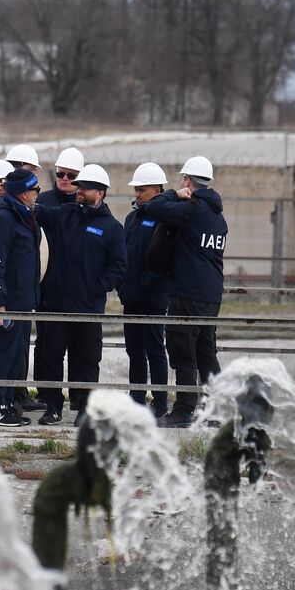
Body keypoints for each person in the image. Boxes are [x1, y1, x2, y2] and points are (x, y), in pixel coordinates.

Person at [26, 163, 126, 426]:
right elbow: (38, 212)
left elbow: (118, 265)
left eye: (86, 188)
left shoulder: (111, 227)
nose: (79, 191)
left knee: (86, 360)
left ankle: (83, 408)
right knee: (51, 356)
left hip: (88, 307)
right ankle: (52, 405)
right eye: (79, 187)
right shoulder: (65, 215)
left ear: (101, 193)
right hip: (56, 304)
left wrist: (97, 285)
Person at [143, 156, 227, 428]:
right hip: (211, 295)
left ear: (188, 181)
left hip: (187, 293)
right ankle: (217, 409)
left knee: (182, 352)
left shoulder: (192, 209)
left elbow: (153, 206)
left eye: (182, 180)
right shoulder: (218, 216)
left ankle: (183, 409)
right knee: (206, 353)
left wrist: (173, 194)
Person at [0, 169, 42, 427]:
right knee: (3, 354)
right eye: (35, 190)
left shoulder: (23, 215)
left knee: (14, 356)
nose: (37, 195)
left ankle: (4, 403)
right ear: (25, 193)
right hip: (8, 300)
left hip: (23, 300)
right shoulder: (3, 218)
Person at [120, 162, 174, 419]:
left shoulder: (164, 219)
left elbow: (164, 260)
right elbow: (123, 257)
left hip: (154, 298)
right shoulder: (131, 219)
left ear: (158, 190)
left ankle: (160, 401)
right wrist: (124, 286)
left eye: (142, 190)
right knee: (134, 352)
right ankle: (136, 398)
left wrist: (148, 286)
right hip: (131, 297)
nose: (137, 194)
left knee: (154, 350)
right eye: (136, 190)